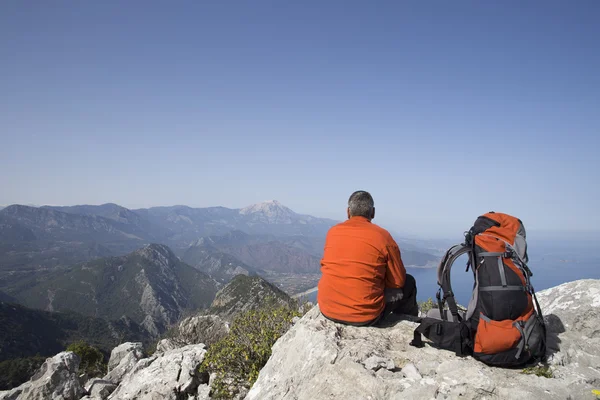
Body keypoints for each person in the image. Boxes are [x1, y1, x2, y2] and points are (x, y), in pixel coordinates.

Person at [317, 190, 418, 326]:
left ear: (348, 212)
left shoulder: (333, 232)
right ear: (373, 213)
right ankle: (409, 328)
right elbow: (398, 282)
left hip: (327, 309)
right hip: (365, 316)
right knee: (409, 283)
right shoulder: (382, 237)